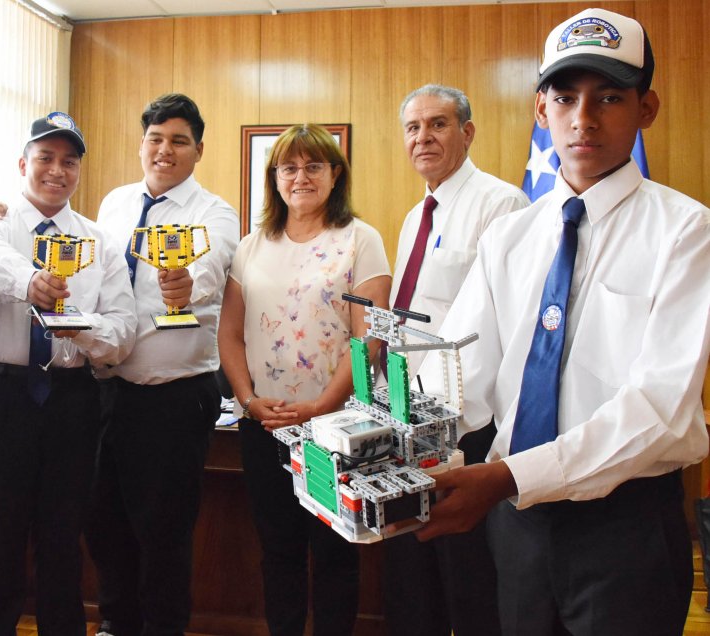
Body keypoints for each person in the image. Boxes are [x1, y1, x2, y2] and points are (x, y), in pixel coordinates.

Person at [417, 8, 710, 636]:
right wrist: (394, 442)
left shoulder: (686, 231)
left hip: (624, 527)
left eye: (609, 96)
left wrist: (507, 476)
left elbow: (659, 408)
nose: (584, 118)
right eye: (565, 96)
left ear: (646, 109)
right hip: (516, 523)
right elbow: (455, 367)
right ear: (539, 110)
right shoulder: (510, 234)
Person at [0, 112, 136, 636]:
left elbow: (122, 332)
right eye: (46, 158)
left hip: (73, 402)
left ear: (79, 170)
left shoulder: (99, 242)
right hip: (1, 400)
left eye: (69, 161)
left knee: (63, 541)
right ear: (23, 164)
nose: (57, 170)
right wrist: (31, 282)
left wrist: (73, 327)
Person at [218, 124, 390, 636]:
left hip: (334, 429)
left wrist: (320, 408)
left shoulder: (360, 239)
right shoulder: (252, 246)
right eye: (289, 167)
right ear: (274, 178)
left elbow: (368, 342)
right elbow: (229, 336)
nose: (301, 177)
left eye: (314, 166)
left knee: (336, 551)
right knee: (279, 551)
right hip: (265, 425)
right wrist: (248, 401)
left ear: (335, 175)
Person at [86, 93, 239, 636]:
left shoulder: (215, 212)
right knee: (105, 523)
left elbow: (212, 263)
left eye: (178, 141)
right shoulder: (114, 205)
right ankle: (114, 624)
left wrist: (186, 283)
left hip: (173, 398)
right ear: (142, 143)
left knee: (163, 532)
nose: (165, 150)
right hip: (106, 390)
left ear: (198, 149)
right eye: (155, 138)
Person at [381, 84, 529, 636]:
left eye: (438, 124)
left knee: (468, 579)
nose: (424, 137)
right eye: (414, 127)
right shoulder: (416, 214)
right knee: (413, 574)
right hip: (407, 416)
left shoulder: (501, 205)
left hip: (464, 424)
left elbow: (506, 327)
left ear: (467, 132)